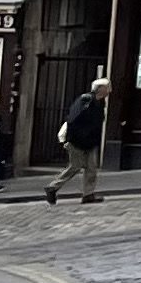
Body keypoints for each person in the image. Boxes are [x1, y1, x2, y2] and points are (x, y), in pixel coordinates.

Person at [44, 76, 109, 207]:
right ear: (100, 89)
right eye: (108, 88)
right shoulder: (85, 100)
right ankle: (52, 188)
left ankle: (88, 194)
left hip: (90, 142)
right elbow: (72, 120)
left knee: (91, 168)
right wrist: (69, 139)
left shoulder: (100, 103)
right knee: (75, 167)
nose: (109, 91)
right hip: (77, 141)